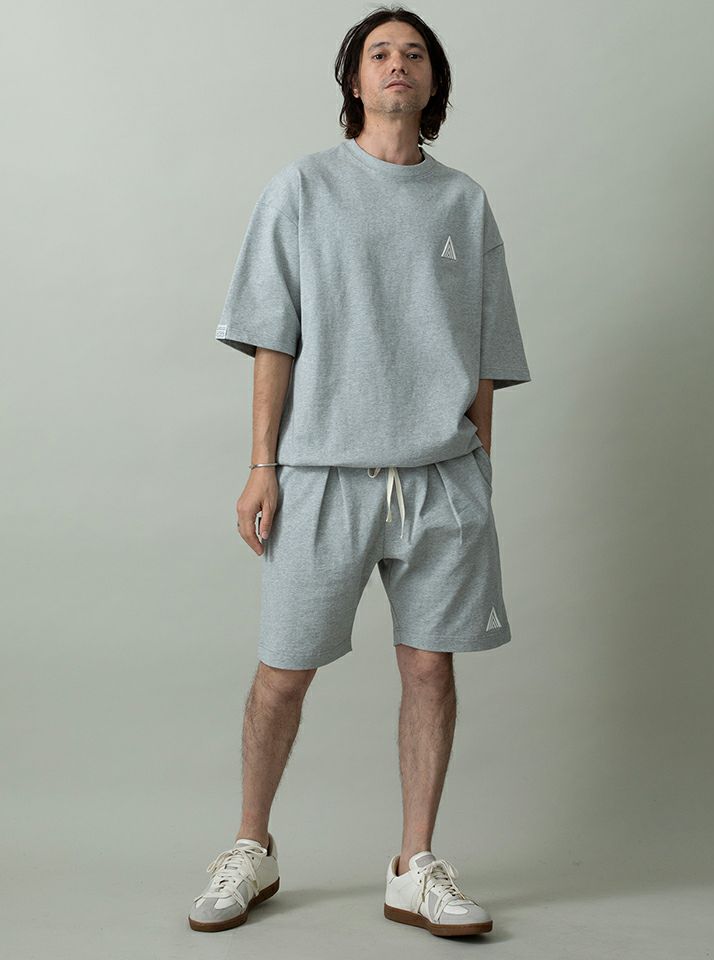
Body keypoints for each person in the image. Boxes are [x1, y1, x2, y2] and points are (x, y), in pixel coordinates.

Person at [188, 6, 531, 939]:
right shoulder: (302, 189)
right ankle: (251, 847)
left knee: (429, 669)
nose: (397, 64)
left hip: (440, 478)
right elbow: (273, 336)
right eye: (379, 53)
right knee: (282, 674)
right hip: (321, 472)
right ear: (354, 79)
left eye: (414, 53)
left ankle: (414, 865)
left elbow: (486, 351)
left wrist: (480, 470)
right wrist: (262, 466)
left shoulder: (464, 202)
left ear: (433, 81)